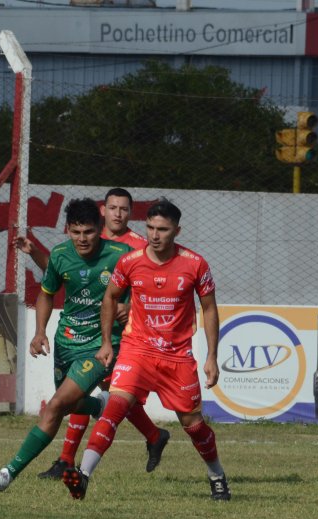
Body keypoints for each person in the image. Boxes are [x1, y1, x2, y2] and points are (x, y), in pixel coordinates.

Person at [61, 199, 231, 501]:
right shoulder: (130, 262)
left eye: (163, 229)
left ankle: (216, 475)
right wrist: (105, 343)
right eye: (150, 227)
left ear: (177, 230)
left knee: (194, 426)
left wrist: (212, 356)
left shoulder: (195, 264)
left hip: (176, 356)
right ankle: (83, 475)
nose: (155, 235)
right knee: (115, 406)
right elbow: (110, 298)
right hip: (136, 350)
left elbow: (209, 309)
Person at [0, 198, 154, 491]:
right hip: (66, 343)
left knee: (53, 407)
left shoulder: (122, 255)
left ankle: (6, 474)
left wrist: (132, 307)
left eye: (88, 232)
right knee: (67, 406)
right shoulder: (61, 255)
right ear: (67, 230)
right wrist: (39, 332)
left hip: (101, 347)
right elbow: (47, 293)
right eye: (75, 232)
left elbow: (149, 288)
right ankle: (99, 405)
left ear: (99, 230)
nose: (82, 239)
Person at [16, 188, 170, 481]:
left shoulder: (137, 246)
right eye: (112, 207)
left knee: (98, 393)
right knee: (104, 396)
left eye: (123, 209)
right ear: (104, 211)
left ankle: (67, 460)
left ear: (130, 213)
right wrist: (35, 252)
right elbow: (63, 272)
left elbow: (155, 286)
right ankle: (152, 434)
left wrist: (130, 306)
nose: (117, 213)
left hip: (122, 337)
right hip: (86, 336)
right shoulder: (87, 241)